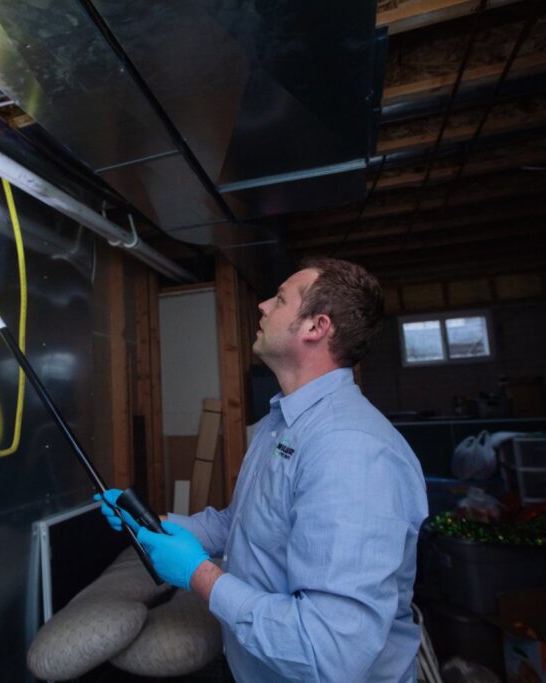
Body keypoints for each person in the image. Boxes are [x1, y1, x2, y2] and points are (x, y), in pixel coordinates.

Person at [98, 258, 427, 682]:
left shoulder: (352, 450)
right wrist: (149, 521)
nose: (263, 306)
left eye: (282, 298)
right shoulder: (281, 423)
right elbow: (240, 524)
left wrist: (199, 575)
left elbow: (328, 650)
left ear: (316, 327)